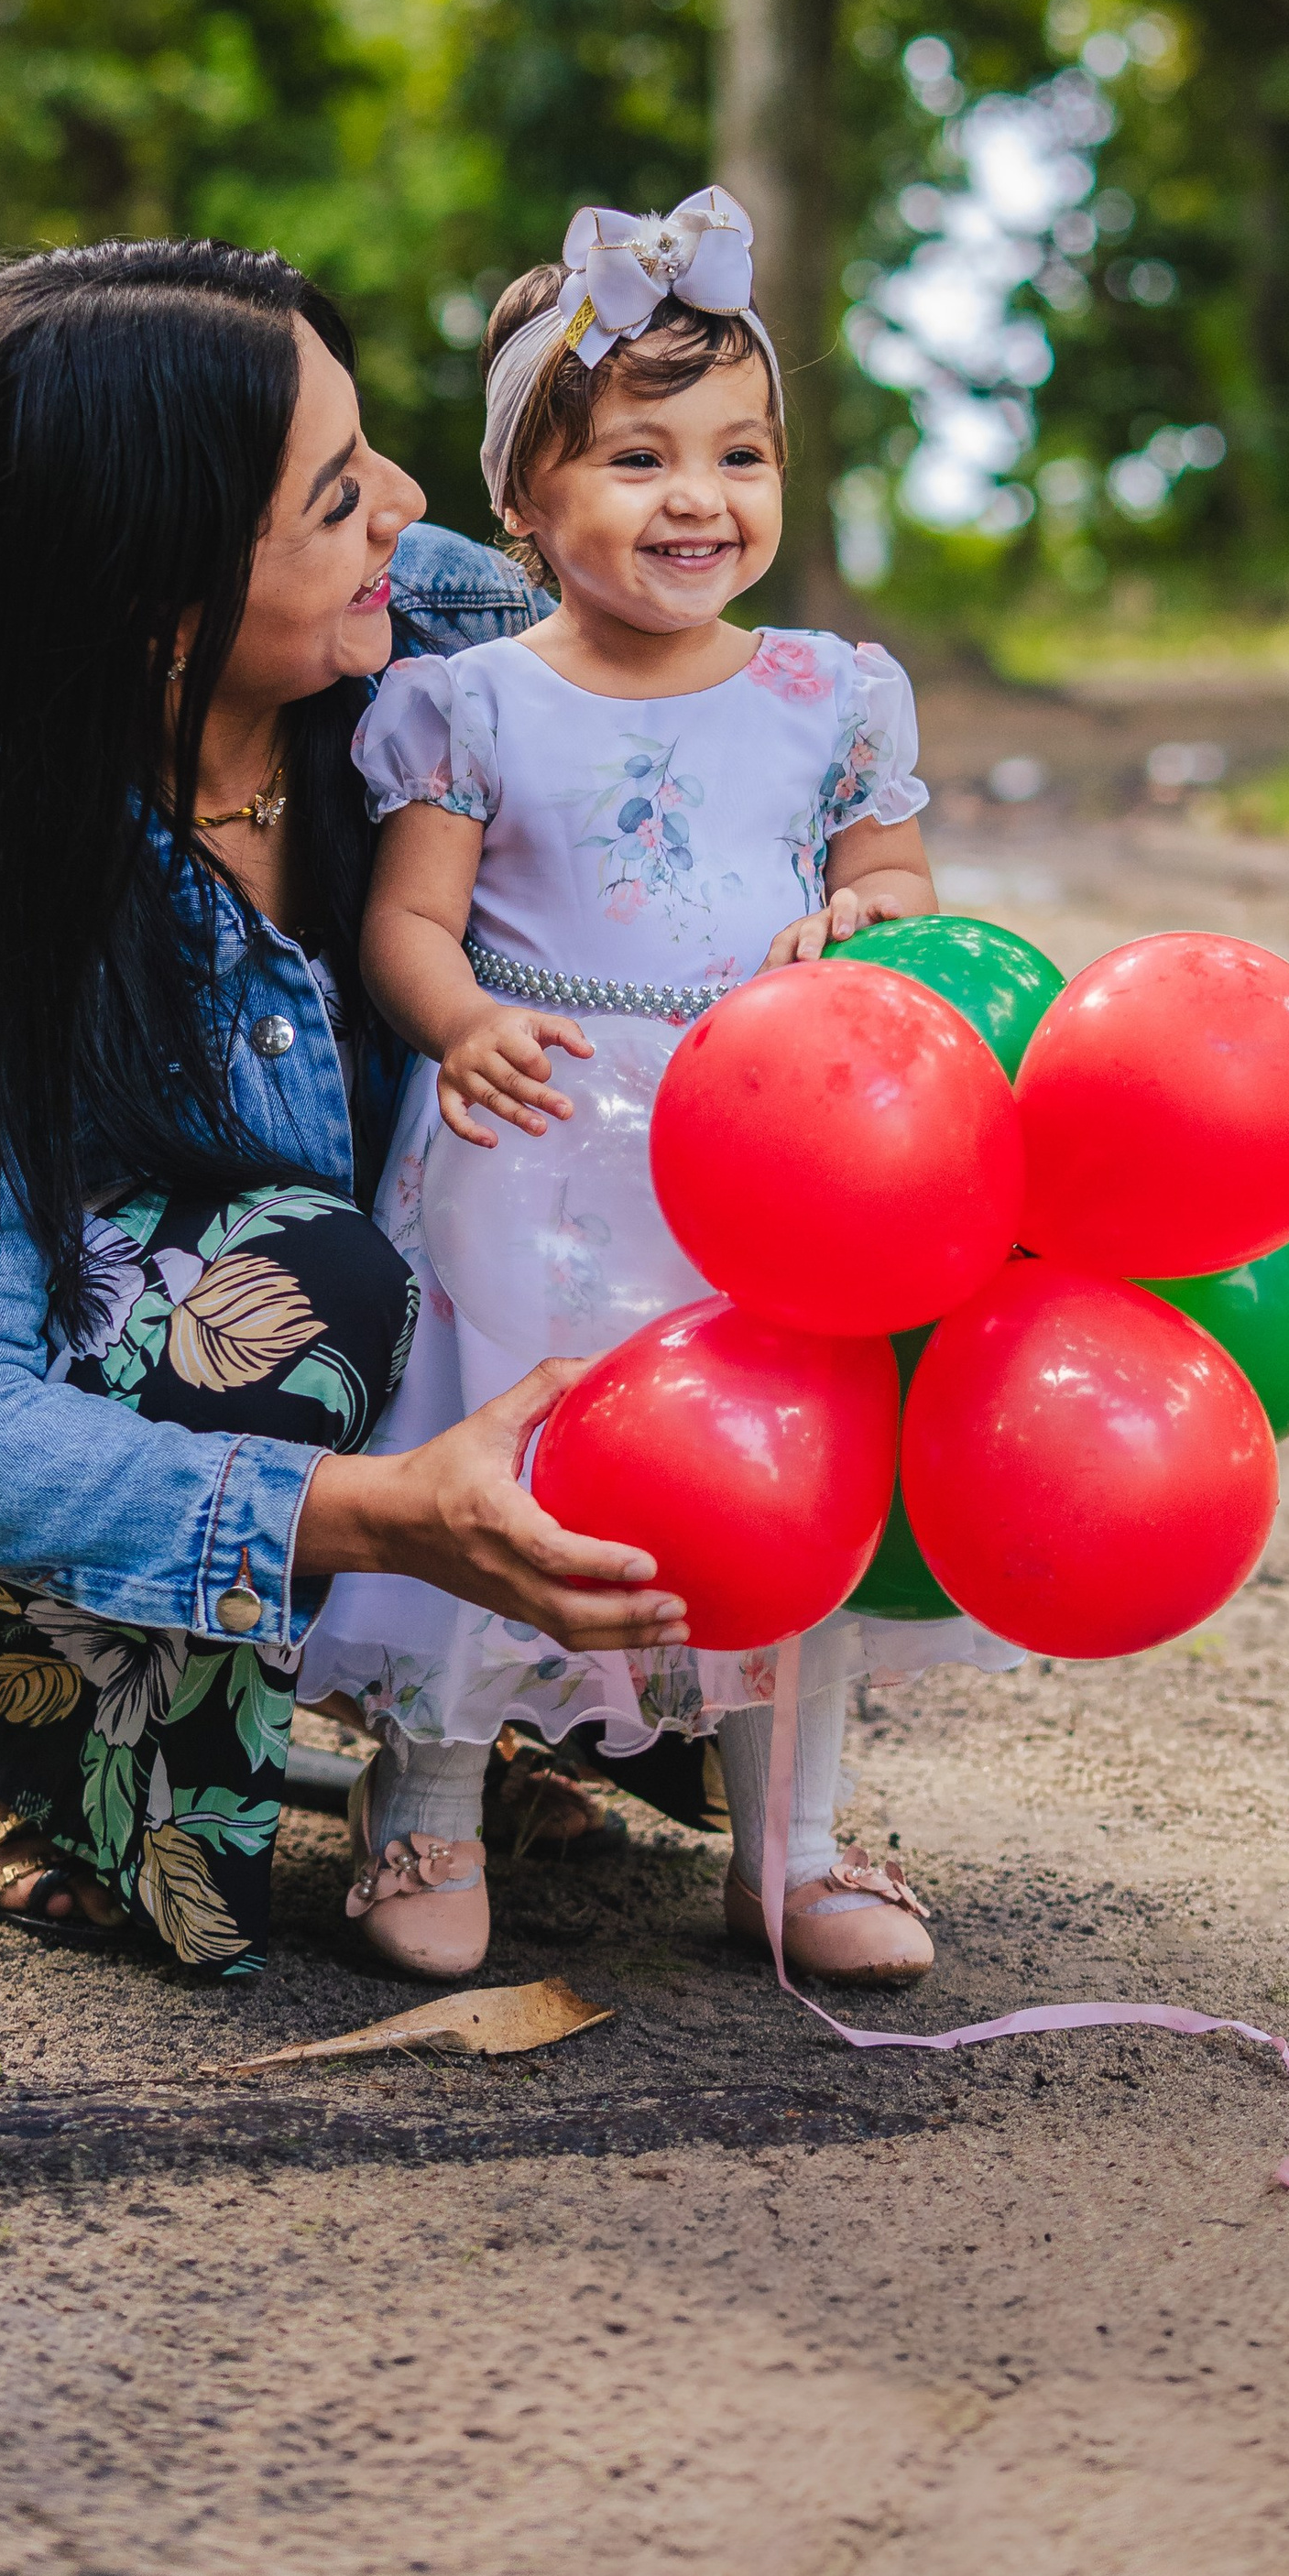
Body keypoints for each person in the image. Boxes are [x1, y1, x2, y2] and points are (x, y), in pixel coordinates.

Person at [0, 239, 688, 1983]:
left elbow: (724, 762)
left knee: (671, 1654)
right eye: (338, 494)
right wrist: (377, 1518)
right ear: (152, 600)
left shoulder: (464, 637)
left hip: (409, 1299)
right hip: (37, 1342)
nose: (408, 503)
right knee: (307, 1290)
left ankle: (393, 1675)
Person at [298, 191, 1020, 1984]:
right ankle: (430, 1799)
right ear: (526, 503)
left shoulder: (823, 695)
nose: (697, 496)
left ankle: (788, 1840)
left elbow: (901, 885)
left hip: (772, 1159)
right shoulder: (475, 705)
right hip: (537, 1136)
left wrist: (863, 917)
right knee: (513, 1448)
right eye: (635, 456)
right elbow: (406, 921)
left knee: (793, 1466)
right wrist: (456, 1021)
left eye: (737, 453)